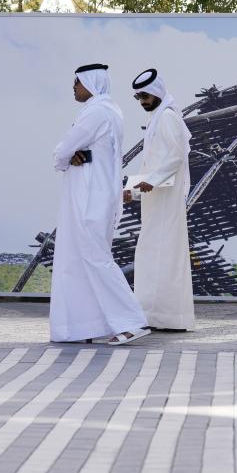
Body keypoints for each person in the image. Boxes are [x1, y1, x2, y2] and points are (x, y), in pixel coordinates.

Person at [50, 64, 150, 345]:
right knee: (82, 260)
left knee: (95, 259)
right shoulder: (111, 110)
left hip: (88, 196)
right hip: (98, 193)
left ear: (91, 84)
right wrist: (71, 155)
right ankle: (88, 327)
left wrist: (66, 157)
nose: (74, 87)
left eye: (77, 82)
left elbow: (62, 150)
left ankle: (132, 321)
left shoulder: (95, 112)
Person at [125, 69, 195, 332]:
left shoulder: (167, 117)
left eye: (144, 95)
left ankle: (169, 317)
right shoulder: (158, 117)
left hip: (165, 199)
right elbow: (153, 162)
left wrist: (151, 180)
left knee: (165, 256)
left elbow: (176, 157)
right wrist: (133, 190)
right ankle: (153, 315)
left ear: (155, 93)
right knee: (152, 255)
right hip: (155, 198)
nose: (142, 101)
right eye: (138, 96)